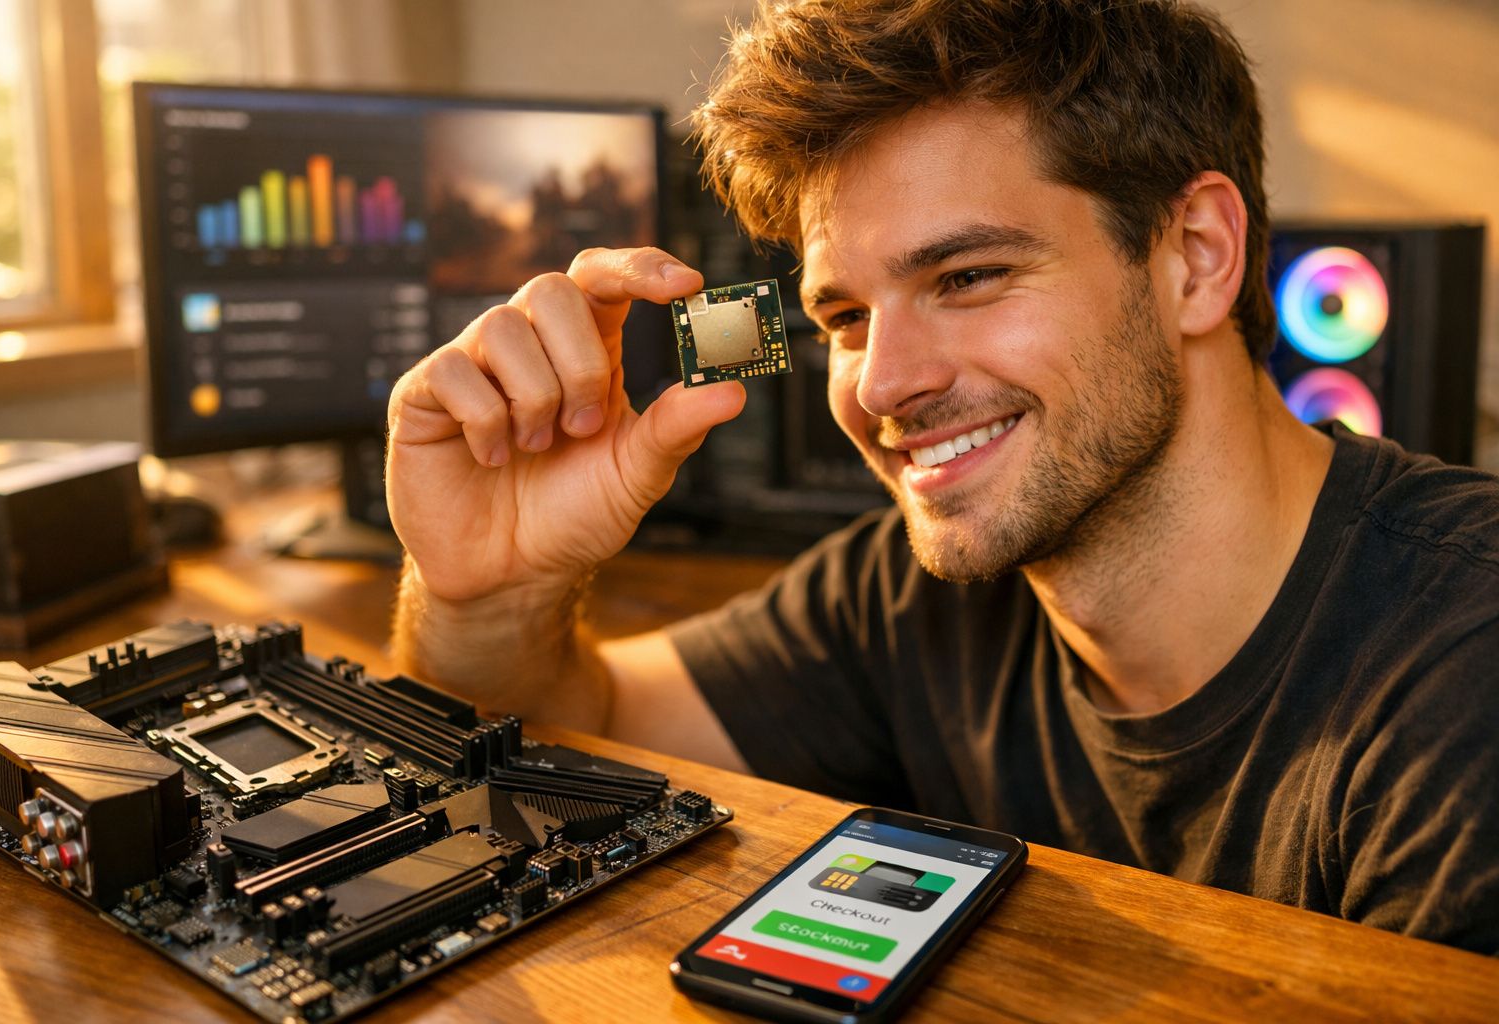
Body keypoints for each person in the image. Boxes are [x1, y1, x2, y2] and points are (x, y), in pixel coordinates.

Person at [386, 0, 1499, 953]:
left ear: (1197, 256)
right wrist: (495, 588)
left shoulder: (1464, 663)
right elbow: (552, 740)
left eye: (968, 275)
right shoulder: (908, 593)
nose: (882, 386)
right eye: (846, 316)